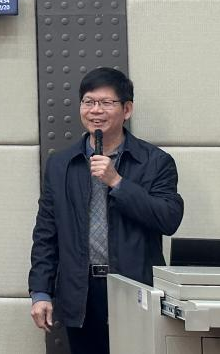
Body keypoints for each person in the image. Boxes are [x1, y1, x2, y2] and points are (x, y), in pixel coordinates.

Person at [28, 67, 184, 354]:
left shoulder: (155, 162)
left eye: (106, 103)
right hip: (81, 291)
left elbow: (168, 218)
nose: (95, 110)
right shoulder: (61, 164)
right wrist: (40, 291)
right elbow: (46, 233)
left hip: (133, 287)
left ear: (127, 110)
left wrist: (117, 182)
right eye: (88, 102)